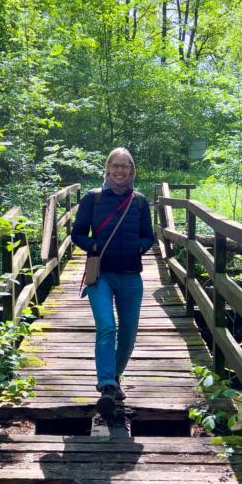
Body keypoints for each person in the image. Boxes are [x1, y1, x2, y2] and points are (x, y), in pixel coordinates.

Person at [71, 148, 154, 420]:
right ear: (107, 168)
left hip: (130, 275)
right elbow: (77, 234)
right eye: (115, 166)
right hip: (101, 275)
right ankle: (106, 385)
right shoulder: (93, 198)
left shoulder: (139, 201)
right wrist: (94, 245)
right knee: (107, 326)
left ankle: (115, 377)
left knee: (128, 334)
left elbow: (149, 236)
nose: (120, 170)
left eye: (124, 166)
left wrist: (139, 248)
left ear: (131, 170)